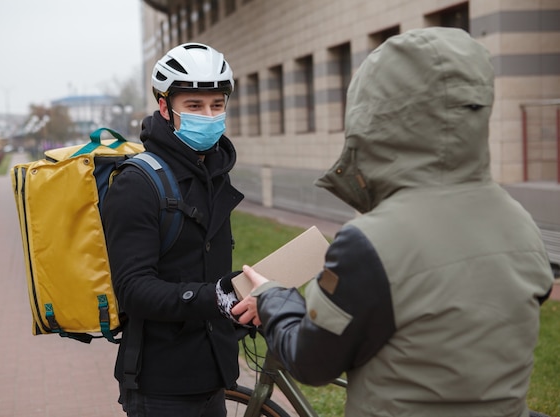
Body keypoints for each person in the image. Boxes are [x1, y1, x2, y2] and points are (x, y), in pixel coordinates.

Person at [232, 27, 555, 417]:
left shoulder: (370, 242)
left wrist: (274, 297)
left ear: (372, 116)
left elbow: (312, 361)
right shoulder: (518, 220)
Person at [102, 42, 244, 417]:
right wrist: (214, 298)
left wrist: (244, 299)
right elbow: (133, 288)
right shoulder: (137, 183)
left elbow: (204, 268)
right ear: (165, 107)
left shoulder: (213, 174)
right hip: (160, 385)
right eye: (194, 106)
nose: (209, 116)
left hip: (212, 374)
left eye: (217, 105)